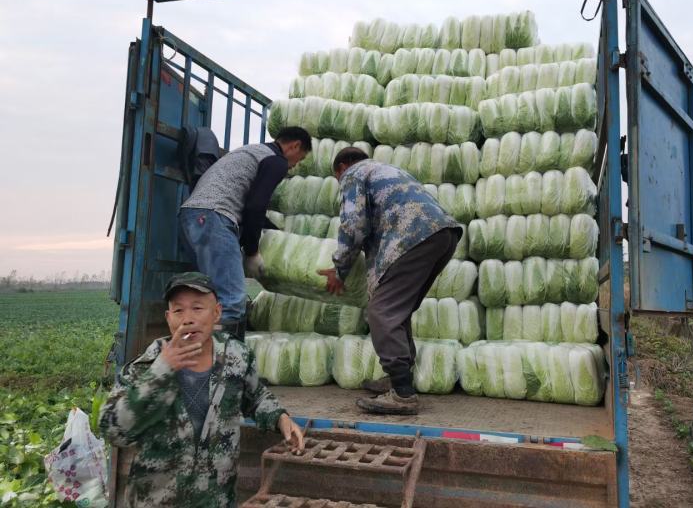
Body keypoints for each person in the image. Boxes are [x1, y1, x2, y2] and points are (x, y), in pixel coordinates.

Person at [99, 272, 304, 508]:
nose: (188, 319)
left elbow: (255, 396)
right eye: (178, 311)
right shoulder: (146, 366)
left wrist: (280, 417)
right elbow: (113, 429)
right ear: (168, 318)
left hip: (215, 500)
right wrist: (161, 372)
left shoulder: (235, 357)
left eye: (197, 308)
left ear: (216, 312)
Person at [318, 148, 462, 415]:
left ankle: (403, 395)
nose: (340, 182)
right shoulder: (386, 171)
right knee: (398, 309)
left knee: (382, 312)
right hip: (442, 234)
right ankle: (398, 379)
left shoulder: (354, 173)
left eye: (337, 176)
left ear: (343, 166)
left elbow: (353, 225)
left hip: (412, 236)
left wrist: (340, 270)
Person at [179, 127, 311, 340]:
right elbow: (255, 207)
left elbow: (252, 209)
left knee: (210, 299)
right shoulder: (276, 161)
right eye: (300, 158)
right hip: (216, 217)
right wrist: (252, 251)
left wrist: (277, 233)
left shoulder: (252, 151)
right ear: (294, 146)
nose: (296, 165)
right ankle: (223, 367)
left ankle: (198, 359)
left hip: (192, 216)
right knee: (232, 301)